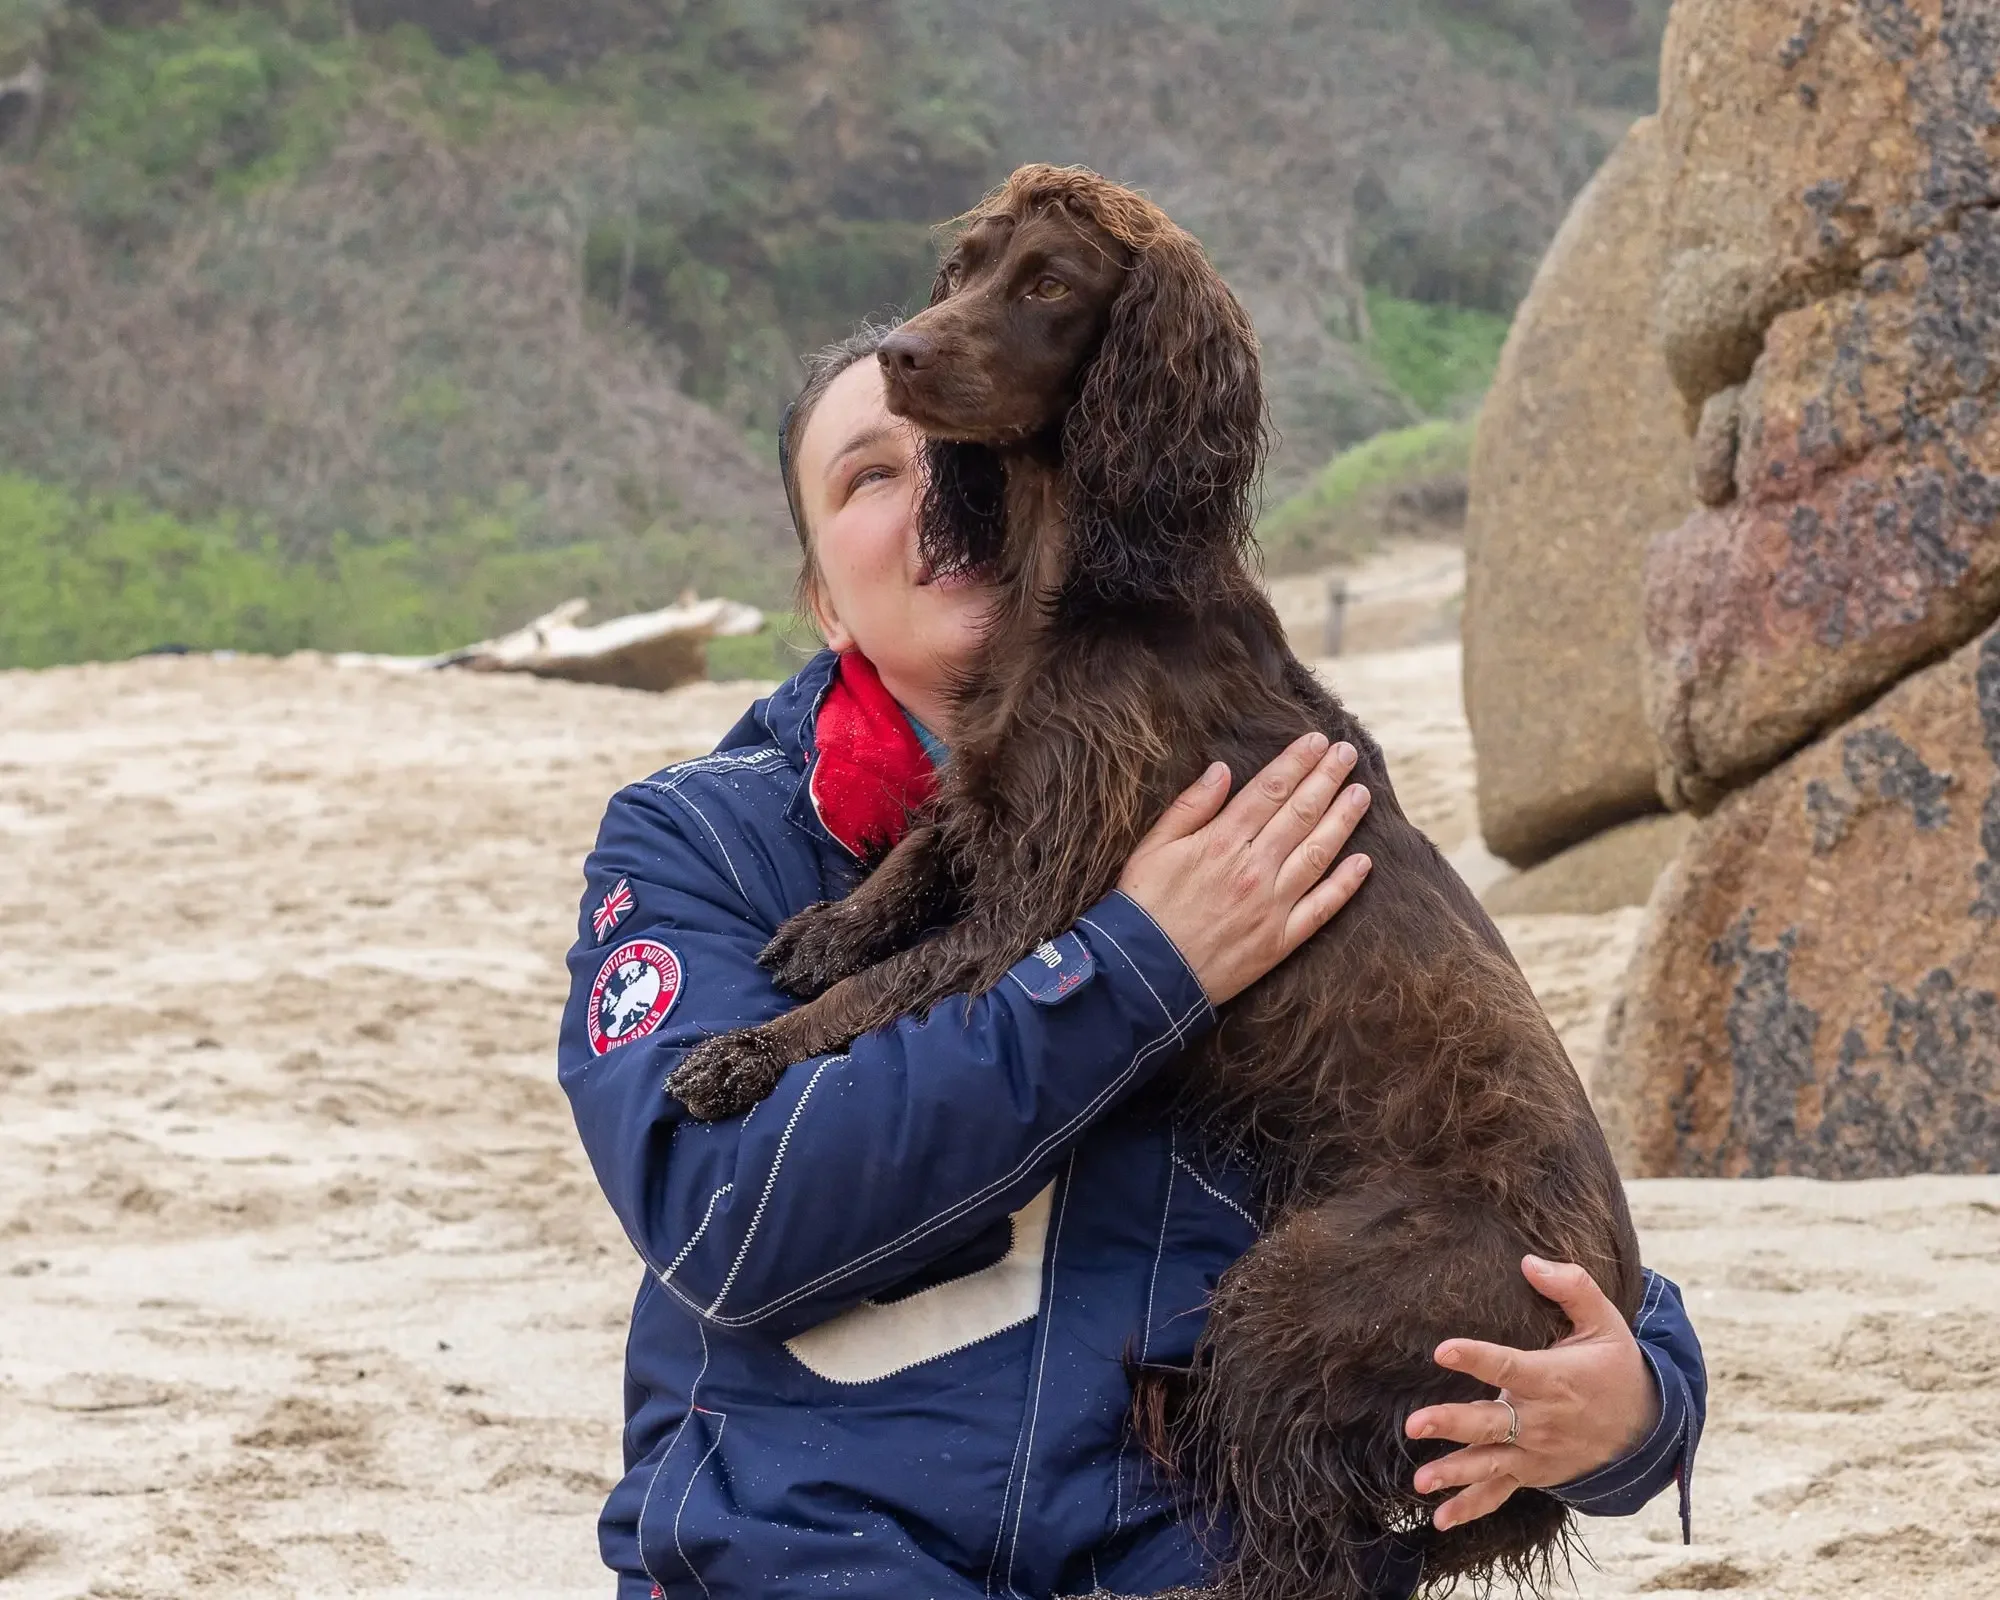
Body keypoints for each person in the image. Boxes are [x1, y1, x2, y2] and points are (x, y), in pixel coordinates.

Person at [558, 325, 1706, 1600]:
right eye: (868, 474)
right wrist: (1138, 966)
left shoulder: (1253, 790)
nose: (938, 484)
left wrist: (1638, 1410)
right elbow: (725, 1215)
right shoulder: (697, 839)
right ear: (822, 596)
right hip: (812, 1555)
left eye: (968, 450)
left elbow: (1488, 1137)